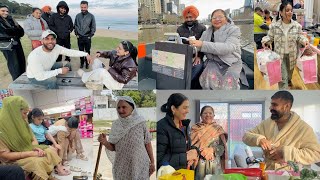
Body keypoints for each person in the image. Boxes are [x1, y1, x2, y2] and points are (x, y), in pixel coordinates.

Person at [243, 91, 320, 170]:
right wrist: (259, 139)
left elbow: (316, 154)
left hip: (292, 175)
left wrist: (286, 152)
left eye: (274, 105)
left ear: (286, 106)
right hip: (269, 171)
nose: (270, 108)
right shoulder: (267, 123)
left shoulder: (303, 129)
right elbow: (246, 136)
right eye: (271, 104)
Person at [0, 96, 71, 179]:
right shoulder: (2, 129)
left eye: (26, 113)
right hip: (13, 159)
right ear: (14, 112)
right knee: (38, 162)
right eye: (24, 113)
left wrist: (33, 148)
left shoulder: (22, 123)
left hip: (27, 149)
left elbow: (33, 139)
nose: (25, 117)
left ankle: (55, 171)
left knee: (50, 151)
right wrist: (30, 153)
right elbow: (5, 155)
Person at [97, 96, 155, 179]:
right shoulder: (116, 125)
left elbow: (148, 143)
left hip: (140, 164)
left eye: (124, 107)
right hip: (122, 167)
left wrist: (152, 162)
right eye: (118, 107)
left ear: (132, 107)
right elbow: (113, 147)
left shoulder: (140, 122)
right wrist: (105, 142)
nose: (120, 110)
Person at [189, 9, 242, 90]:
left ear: (226, 18)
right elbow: (198, 47)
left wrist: (202, 44)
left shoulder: (234, 30)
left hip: (231, 62)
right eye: (214, 18)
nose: (217, 19)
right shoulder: (206, 33)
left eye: (220, 17)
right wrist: (191, 46)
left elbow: (228, 47)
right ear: (211, 20)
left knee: (229, 81)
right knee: (208, 78)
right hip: (213, 61)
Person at [262, 1, 308, 89]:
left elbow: (299, 37)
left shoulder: (297, 26)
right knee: (283, 78)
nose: (290, 12)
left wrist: (304, 40)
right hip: (279, 55)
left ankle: (288, 80)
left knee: (289, 74)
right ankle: (283, 92)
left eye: (291, 10)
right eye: (287, 10)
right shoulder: (274, 26)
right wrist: (265, 41)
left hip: (292, 55)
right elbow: (269, 37)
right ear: (281, 13)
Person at [26, 30, 92, 89]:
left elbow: (70, 52)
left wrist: (86, 54)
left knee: (67, 64)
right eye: (47, 39)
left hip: (48, 67)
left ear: (55, 40)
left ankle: (68, 82)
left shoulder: (56, 48)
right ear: (42, 41)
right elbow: (40, 76)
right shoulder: (34, 56)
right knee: (52, 80)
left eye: (52, 39)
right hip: (35, 77)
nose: (50, 41)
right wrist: (59, 71)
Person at [157, 93, 198, 170]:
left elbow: (184, 146)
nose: (188, 111)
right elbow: (159, 160)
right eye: (185, 108)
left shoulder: (185, 125)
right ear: (173, 108)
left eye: (188, 108)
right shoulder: (161, 126)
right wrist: (186, 157)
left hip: (186, 173)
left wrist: (195, 151)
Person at [191, 106, 228, 180]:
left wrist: (212, 150)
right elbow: (190, 146)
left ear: (213, 115)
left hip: (214, 165)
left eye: (210, 113)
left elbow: (222, 148)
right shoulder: (195, 129)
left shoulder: (218, 129)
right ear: (201, 115)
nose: (208, 115)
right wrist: (200, 151)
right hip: (199, 165)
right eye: (205, 113)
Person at [177, 5, 206, 89]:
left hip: (196, 56)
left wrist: (199, 57)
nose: (189, 19)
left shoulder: (202, 28)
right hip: (183, 56)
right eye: (186, 17)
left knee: (198, 66)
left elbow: (205, 44)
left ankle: (186, 83)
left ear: (195, 16)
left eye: (191, 17)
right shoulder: (179, 29)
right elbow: (178, 43)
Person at [0, 4, 25, 81]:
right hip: (7, 45)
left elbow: (21, 32)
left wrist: (13, 31)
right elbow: (5, 32)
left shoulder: (11, 19)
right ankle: (16, 81)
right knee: (14, 65)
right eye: (3, 11)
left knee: (21, 61)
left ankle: (22, 78)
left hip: (16, 42)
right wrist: (14, 30)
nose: (6, 13)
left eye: (7, 11)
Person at [74, 1, 96, 69]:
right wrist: (76, 34)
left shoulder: (91, 16)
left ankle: (87, 63)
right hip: (79, 37)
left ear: (87, 7)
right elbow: (75, 25)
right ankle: (82, 63)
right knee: (80, 51)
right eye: (82, 7)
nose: (83, 9)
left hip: (87, 37)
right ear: (80, 7)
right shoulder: (77, 16)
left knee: (87, 51)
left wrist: (90, 36)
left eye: (84, 7)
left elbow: (93, 27)